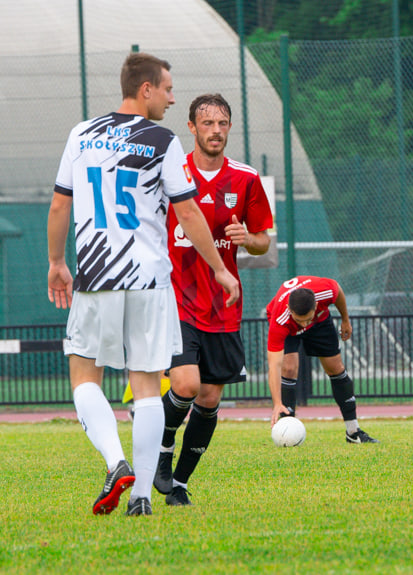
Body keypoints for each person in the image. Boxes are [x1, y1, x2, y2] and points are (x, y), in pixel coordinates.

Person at [47, 53, 240, 516]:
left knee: (84, 374)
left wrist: (57, 262)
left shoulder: (82, 134)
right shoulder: (161, 141)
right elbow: (188, 212)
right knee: (148, 384)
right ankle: (140, 498)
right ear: (146, 89)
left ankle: (117, 463)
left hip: (97, 276)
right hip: (151, 280)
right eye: (168, 89)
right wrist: (218, 267)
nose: (173, 98)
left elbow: (59, 207)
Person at [153, 94, 273, 506]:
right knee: (185, 384)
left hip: (223, 305)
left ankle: (180, 484)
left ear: (230, 127)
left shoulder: (246, 179)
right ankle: (161, 449)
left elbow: (262, 241)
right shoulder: (172, 172)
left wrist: (249, 240)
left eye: (222, 123)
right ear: (192, 127)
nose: (216, 131)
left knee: (209, 398)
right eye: (207, 124)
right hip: (176, 297)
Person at [267, 276, 379, 443]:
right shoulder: (280, 319)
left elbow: (338, 292)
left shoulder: (325, 291)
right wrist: (276, 403)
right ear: (290, 310)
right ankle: (285, 430)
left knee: (336, 368)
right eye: (300, 320)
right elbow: (273, 365)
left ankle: (353, 432)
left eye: (307, 319)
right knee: (288, 368)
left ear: (316, 306)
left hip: (320, 322)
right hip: (289, 328)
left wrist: (345, 320)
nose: (304, 325)